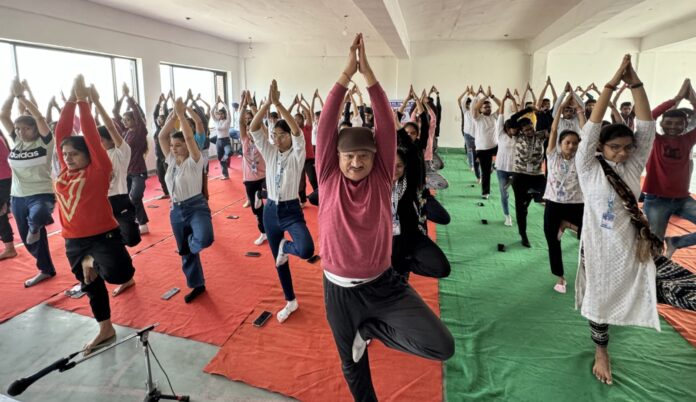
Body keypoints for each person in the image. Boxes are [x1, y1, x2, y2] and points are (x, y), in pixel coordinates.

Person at [317, 33, 454, 402]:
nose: (357, 162)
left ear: (375, 158)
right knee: (354, 372)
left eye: (364, 155)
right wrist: (347, 73)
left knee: (441, 345)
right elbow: (326, 124)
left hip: (383, 287)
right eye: (350, 156)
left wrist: (371, 76)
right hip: (338, 293)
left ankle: (372, 329)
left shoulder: (380, 178)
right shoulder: (328, 176)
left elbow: (386, 126)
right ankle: (362, 333)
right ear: (338, 158)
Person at [575, 54, 658, 385]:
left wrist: (635, 82)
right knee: (599, 300)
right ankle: (601, 352)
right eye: (615, 148)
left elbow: (648, 127)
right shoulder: (588, 166)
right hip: (597, 247)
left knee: (662, 285)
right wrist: (610, 86)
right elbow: (592, 128)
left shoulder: (634, 165)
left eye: (627, 147)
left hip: (633, 246)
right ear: (602, 148)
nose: (623, 153)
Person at [54, 75, 136, 354]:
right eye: (65, 154)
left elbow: (90, 137)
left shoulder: (98, 170)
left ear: (89, 155)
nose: (67, 158)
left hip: (103, 235)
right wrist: (68, 102)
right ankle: (105, 327)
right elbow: (60, 133)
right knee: (90, 285)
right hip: (73, 241)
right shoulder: (65, 172)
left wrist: (83, 103)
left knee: (121, 273)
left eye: (74, 154)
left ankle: (94, 262)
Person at [249, 80, 315, 323]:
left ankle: (285, 248)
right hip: (270, 211)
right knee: (279, 265)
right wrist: (267, 103)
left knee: (306, 250)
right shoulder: (270, 152)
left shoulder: (298, 153)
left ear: (289, 136)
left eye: (280, 135)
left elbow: (298, 132)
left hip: (290, 210)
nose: (276, 139)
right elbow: (254, 128)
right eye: (274, 135)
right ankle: (290, 301)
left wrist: (279, 104)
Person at [1, 78, 57, 286]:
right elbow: (3, 115)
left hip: (40, 193)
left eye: (25, 129)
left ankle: (35, 226)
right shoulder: (16, 143)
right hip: (18, 196)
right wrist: (11, 93)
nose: (20, 132)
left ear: (34, 130)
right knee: (27, 239)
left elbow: (40, 118)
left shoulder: (44, 143)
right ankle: (45, 269)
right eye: (17, 129)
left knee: (40, 214)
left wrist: (22, 97)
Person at [158, 98, 215, 303]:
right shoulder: (171, 161)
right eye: (172, 145)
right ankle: (196, 284)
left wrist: (182, 116)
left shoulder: (195, 160)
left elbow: (191, 139)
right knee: (186, 255)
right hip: (176, 210)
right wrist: (172, 115)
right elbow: (162, 136)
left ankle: (189, 244)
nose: (173, 148)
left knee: (205, 238)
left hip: (196, 206)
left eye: (178, 145)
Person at [643, 78, 696, 258]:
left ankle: (676, 242)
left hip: (682, 199)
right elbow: (650, 116)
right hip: (657, 200)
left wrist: (692, 98)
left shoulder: (687, 139)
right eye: (669, 123)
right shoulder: (655, 139)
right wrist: (677, 98)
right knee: (654, 247)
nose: (673, 127)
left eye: (678, 124)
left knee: (657, 245)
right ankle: (651, 279)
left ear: (685, 125)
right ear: (661, 124)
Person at [91, 85, 142, 266]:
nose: (97, 143)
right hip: (101, 203)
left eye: (101, 140)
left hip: (119, 199)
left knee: (132, 239)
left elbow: (111, 127)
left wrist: (96, 102)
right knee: (109, 240)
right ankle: (121, 270)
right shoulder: (94, 157)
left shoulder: (121, 151)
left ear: (111, 139)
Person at [543, 92, 584, 294]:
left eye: (575, 143)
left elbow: (588, 134)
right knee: (551, 238)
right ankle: (560, 277)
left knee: (588, 237)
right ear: (560, 144)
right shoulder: (552, 156)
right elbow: (552, 130)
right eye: (567, 142)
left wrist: (579, 110)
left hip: (577, 203)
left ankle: (588, 272)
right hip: (554, 203)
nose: (571, 146)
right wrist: (559, 110)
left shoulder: (582, 158)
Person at [509, 106, 550, 247]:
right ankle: (523, 234)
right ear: (521, 130)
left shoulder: (540, 135)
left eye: (531, 128)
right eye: (526, 130)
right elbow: (513, 120)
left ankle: (533, 195)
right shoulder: (517, 136)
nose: (529, 131)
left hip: (537, 175)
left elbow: (552, 125)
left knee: (545, 194)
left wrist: (541, 113)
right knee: (522, 208)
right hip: (520, 175)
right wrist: (527, 109)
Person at [113, 84, 150, 234]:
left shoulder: (140, 130)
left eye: (127, 120)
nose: (124, 122)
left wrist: (129, 98)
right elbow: (115, 112)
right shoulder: (124, 133)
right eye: (123, 120)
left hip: (138, 171)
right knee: (132, 198)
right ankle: (142, 223)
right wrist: (121, 97)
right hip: (126, 172)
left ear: (134, 121)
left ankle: (137, 219)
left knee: (134, 196)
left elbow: (136, 113)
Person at [239, 90, 267, 246]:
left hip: (263, 178)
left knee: (267, 206)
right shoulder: (244, 140)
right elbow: (240, 123)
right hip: (249, 179)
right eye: (248, 129)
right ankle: (263, 232)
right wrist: (243, 104)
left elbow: (261, 122)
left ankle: (271, 228)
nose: (250, 132)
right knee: (256, 210)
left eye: (252, 129)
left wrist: (252, 104)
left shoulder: (262, 140)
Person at [471, 88, 500, 198]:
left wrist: (492, 97)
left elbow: (501, 106)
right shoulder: (478, 118)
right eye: (485, 107)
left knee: (508, 151)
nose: (488, 108)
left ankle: (495, 165)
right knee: (486, 172)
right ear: (481, 109)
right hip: (483, 150)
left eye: (489, 107)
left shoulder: (494, 116)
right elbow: (475, 108)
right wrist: (484, 97)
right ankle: (485, 192)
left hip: (495, 147)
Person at [496, 90, 519, 227]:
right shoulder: (500, 134)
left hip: (515, 170)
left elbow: (518, 117)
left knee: (518, 194)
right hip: (501, 169)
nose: (513, 131)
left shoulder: (519, 137)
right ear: (506, 128)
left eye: (515, 129)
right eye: (511, 129)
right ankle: (507, 216)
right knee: (504, 193)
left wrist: (514, 101)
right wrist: (503, 101)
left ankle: (520, 214)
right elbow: (500, 115)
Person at [0, 128, 16, 260]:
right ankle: (9, 246)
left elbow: (6, 160)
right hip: (4, 179)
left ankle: (10, 248)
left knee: (1, 214)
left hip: (3, 179)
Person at [153, 93, 170, 199]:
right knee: (160, 176)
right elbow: (155, 114)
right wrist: (159, 103)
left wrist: (165, 102)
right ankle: (166, 193)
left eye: (161, 119)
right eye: (158, 119)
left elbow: (167, 114)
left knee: (169, 176)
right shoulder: (158, 128)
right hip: (159, 157)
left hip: (166, 156)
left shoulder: (167, 129)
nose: (159, 120)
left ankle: (173, 194)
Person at [211, 96, 232, 179]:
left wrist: (222, 102)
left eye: (222, 113)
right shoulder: (216, 122)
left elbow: (228, 110)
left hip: (226, 140)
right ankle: (225, 174)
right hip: (218, 141)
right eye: (220, 114)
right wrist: (216, 103)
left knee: (229, 152)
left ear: (224, 114)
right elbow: (211, 112)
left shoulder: (227, 121)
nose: (221, 115)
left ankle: (226, 159)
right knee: (220, 158)